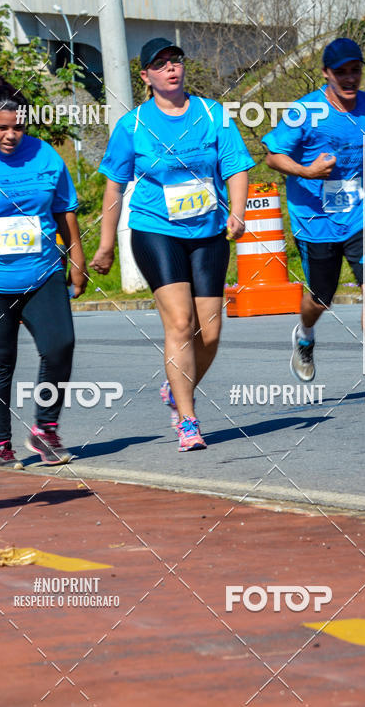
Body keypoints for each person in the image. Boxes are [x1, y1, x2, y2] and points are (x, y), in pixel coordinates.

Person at [90, 37, 254, 450]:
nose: (170, 68)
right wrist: (106, 245)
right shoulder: (133, 125)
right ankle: (187, 420)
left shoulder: (212, 114)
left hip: (209, 231)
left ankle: (176, 386)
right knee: (181, 323)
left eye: (175, 61)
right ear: (145, 76)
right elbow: (113, 188)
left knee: (210, 332)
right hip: (156, 230)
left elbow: (235, 165)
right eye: (159, 64)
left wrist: (237, 211)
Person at [262, 37, 365, 403]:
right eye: (340, 71)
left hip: (360, 213)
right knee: (321, 299)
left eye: (355, 70)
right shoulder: (303, 111)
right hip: (315, 220)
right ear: (326, 74)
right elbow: (273, 156)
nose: (349, 78)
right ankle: (305, 336)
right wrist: (308, 172)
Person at [0, 77, 88, 468]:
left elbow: (65, 209)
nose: (11, 134)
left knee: (60, 346)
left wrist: (77, 259)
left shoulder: (45, 156)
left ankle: (45, 430)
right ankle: (0, 445)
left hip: (42, 273)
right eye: (2, 127)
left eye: (19, 126)